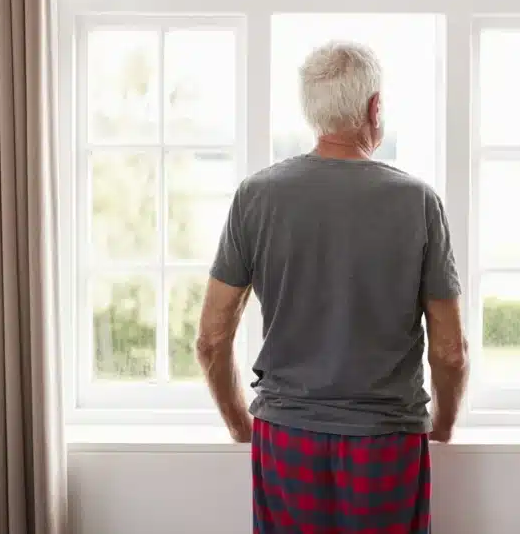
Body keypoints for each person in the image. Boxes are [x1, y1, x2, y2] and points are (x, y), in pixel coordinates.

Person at [195, 40, 470, 534]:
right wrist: (444, 427)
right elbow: (449, 350)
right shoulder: (418, 203)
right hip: (386, 439)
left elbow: (212, 339)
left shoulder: (255, 197)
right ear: (375, 107)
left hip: (286, 437)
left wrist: (242, 427)